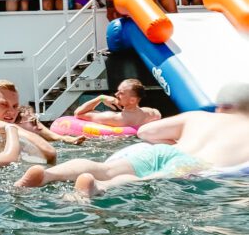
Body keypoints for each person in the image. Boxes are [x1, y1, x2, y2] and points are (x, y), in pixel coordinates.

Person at [15, 82, 249, 197]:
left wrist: (172, 144)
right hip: (193, 165)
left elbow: (145, 133)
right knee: (145, 179)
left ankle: (48, 175)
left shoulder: (197, 117)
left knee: (105, 167)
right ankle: (98, 187)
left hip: (158, 152)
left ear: (221, 106)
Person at [0, 80, 57, 163]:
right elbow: (49, 152)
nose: (11, 112)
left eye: (15, 106)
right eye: (4, 104)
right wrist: (13, 128)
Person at [73, 79, 161, 129]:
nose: (116, 94)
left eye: (121, 93)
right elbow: (158, 115)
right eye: (117, 91)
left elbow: (78, 113)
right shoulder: (151, 113)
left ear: (132, 100)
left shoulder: (113, 118)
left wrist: (101, 98)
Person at [16, 105, 85, 145]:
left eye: (37, 121)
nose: (39, 127)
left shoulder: (38, 130)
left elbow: (58, 137)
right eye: (33, 121)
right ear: (17, 124)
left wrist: (72, 140)